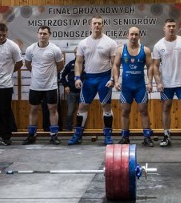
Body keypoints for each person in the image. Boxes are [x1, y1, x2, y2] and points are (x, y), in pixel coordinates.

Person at [69, 16, 118, 145]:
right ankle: (77, 135)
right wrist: (77, 78)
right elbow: (78, 62)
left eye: (99, 23)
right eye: (95, 23)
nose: (97, 25)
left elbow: (114, 64)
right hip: (89, 78)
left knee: (105, 106)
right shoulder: (83, 43)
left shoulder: (110, 42)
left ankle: (108, 135)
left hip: (104, 77)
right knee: (82, 106)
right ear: (90, 25)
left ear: (103, 25)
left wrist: (113, 79)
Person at [152, 18, 181, 147]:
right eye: (169, 26)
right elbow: (155, 66)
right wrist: (158, 82)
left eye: (173, 26)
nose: (171, 28)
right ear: (164, 28)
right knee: (166, 107)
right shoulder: (158, 45)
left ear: (176, 28)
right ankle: (166, 135)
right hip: (166, 84)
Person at [112, 26, 155, 147]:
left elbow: (150, 66)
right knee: (125, 111)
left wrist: (150, 82)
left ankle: (147, 137)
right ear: (127, 35)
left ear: (139, 36)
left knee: (144, 111)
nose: (133, 37)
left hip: (140, 87)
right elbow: (115, 65)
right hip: (126, 88)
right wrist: (116, 81)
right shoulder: (121, 50)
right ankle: (125, 137)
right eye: (132, 34)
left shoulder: (145, 50)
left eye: (136, 34)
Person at [23, 25, 64, 145]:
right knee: (33, 109)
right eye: (40, 33)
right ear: (37, 34)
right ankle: (31, 135)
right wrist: (37, 75)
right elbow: (28, 64)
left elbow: (60, 65)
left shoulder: (55, 49)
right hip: (35, 86)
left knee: (52, 109)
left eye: (45, 34)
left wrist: (51, 76)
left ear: (49, 35)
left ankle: (54, 136)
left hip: (51, 86)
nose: (42, 36)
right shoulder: (31, 49)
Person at [60, 48, 81, 131]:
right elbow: (63, 76)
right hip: (71, 92)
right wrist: (66, 86)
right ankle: (68, 129)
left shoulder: (86, 64)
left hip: (83, 92)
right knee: (70, 111)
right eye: (76, 52)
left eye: (79, 52)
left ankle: (80, 128)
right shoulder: (70, 64)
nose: (77, 54)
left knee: (81, 112)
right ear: (74, 54)